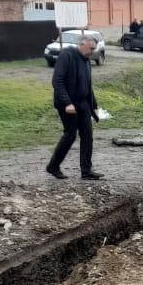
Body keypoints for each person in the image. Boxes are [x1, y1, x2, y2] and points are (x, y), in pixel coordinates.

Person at [46, 34, 103, 180]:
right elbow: (57, 81)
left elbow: (88, 86)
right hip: (68, 104)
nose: (92, 52)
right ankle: (53, 166)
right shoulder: (67, 55)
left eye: (94, 49)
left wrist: (94, 106)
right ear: (82, 43)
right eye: (91, 48)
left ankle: (86, 171)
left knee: (87, 136)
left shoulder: (86, 61)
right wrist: (67, 103)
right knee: (70, 135)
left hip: (83, 103)